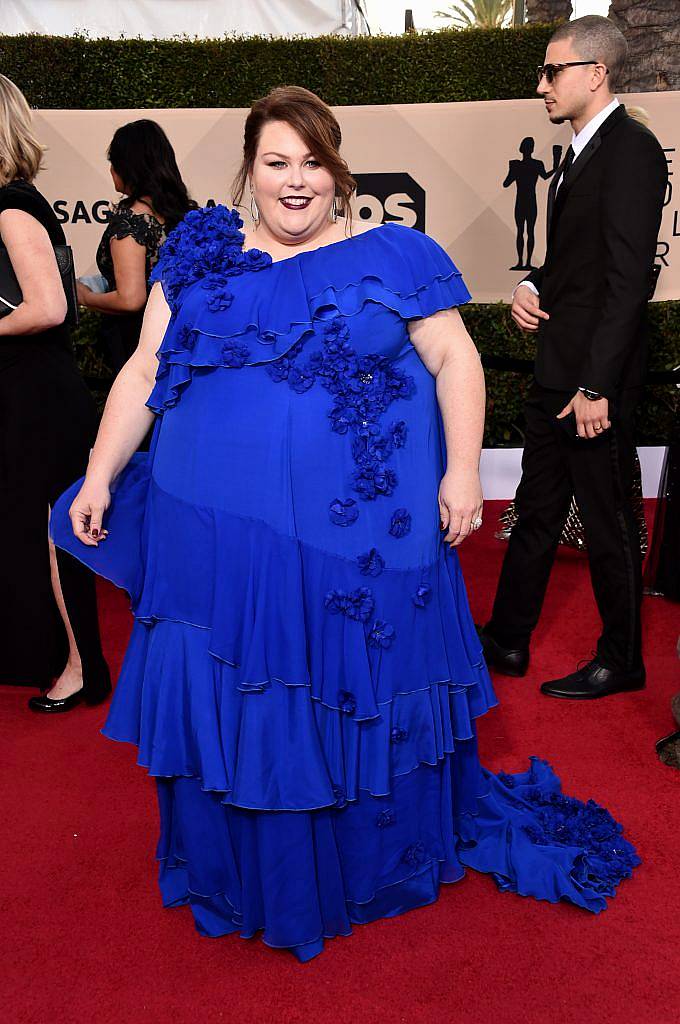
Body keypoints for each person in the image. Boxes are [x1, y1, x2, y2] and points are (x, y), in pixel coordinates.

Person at [52, 86, 639, 961]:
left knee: (349, 686)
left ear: (338, 170)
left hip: (359, 544)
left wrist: (461, 469)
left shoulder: (396, 253)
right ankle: (243, 864)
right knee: (244, 688)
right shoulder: (199, 256)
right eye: (275, 162)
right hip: (218, 542)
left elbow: (455, 359)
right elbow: (143, 372)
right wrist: (99, 473)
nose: (295, 182)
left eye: (312, 163)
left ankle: (365, 860)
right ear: (248, 171)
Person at [480, 16, 668, 700]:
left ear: (595, 73)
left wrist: (597, 386)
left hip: (591, 383)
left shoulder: (633, 150)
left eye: (552, 71)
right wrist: (534, 282)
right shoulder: (582, 149)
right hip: (556, 368)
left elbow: (626, 285)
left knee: (610, 525)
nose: (542, 85)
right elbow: (577, 262)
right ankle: (506, 639)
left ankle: (622, 659)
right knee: (536, 509)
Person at [0, 74, 110, 711]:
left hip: (34, 394)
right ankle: (53, 658)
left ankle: (81, 669)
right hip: (24, 389)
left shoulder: (12, 206)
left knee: (53, 534)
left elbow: (46, 306)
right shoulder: (16, 201)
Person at [77, 119, 196, 375]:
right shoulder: (186, 215)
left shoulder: (131, 223)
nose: (110, 170)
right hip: (182, 336)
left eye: (112, 162)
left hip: (135, 342)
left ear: (126, 166)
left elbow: (131, 299)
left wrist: (85, 296)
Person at [503, 137, 561, 271]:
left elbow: (506, 183)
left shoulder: (521, 165)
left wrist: (555, 167)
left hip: (525, 200)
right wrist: (555, 167)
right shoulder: (533, 164)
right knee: (526, 231)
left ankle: (525, 262)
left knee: (525, 231)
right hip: (527, 200)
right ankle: (524, 262)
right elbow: (506, 183)